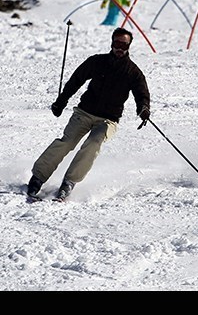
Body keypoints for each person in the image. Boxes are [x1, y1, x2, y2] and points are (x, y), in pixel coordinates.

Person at [26, 27, 151, 202]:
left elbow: (142, 93)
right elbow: (76, 80)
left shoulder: (132, 72)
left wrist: (144, 108)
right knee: (67, 142)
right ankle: (37, 178)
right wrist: (61, 101)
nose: (119, 47)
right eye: (117, 43)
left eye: (124, 44)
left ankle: (69, 183)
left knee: (93, 143)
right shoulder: (97, 62)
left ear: (129, 46)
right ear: (111, 43)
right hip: (85, 112)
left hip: (108, 120)